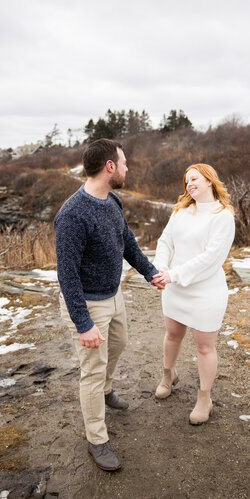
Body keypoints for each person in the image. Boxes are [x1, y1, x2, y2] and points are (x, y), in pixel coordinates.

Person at [54, 138, 159, 471]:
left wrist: (150, 271)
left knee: (120, 343)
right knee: (92, 371)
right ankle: (97, 439)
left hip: (113, 296)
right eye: (124, 163)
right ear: (109, 167)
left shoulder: (112, 200)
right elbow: (67, 275)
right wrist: (83, 323)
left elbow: (127, 242)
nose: (128, 168)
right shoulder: (72, 215)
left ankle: (106, 390)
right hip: (87, 304)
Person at [151, 163, 235, 425]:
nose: (189, 184)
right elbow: (165, 242)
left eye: (195, 179)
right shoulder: (181, 211)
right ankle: (168, 375)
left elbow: (211, 259)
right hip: (175, 288)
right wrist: (161, 268)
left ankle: (204, 398)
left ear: (209, 181)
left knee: (204, 347)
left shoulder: (223, 216)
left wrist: (173, 274)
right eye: (186, 181)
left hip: (206, 292)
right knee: (173, 335)